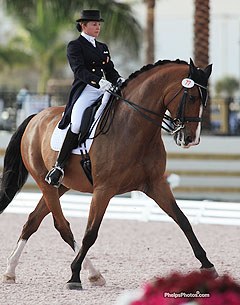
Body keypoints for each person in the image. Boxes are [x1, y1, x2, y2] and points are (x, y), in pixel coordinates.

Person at [45, 9, 124, 187]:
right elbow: (79, 70)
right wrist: (98, 82)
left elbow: (110, 69)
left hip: (105, 87)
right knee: (78, 122)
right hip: (86, 89)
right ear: (83, 25)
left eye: (99, 24)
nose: (98, 27)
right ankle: (59, 166)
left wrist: (119, 80)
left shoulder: (102, 47)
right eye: (94, 24)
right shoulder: (75, 45)